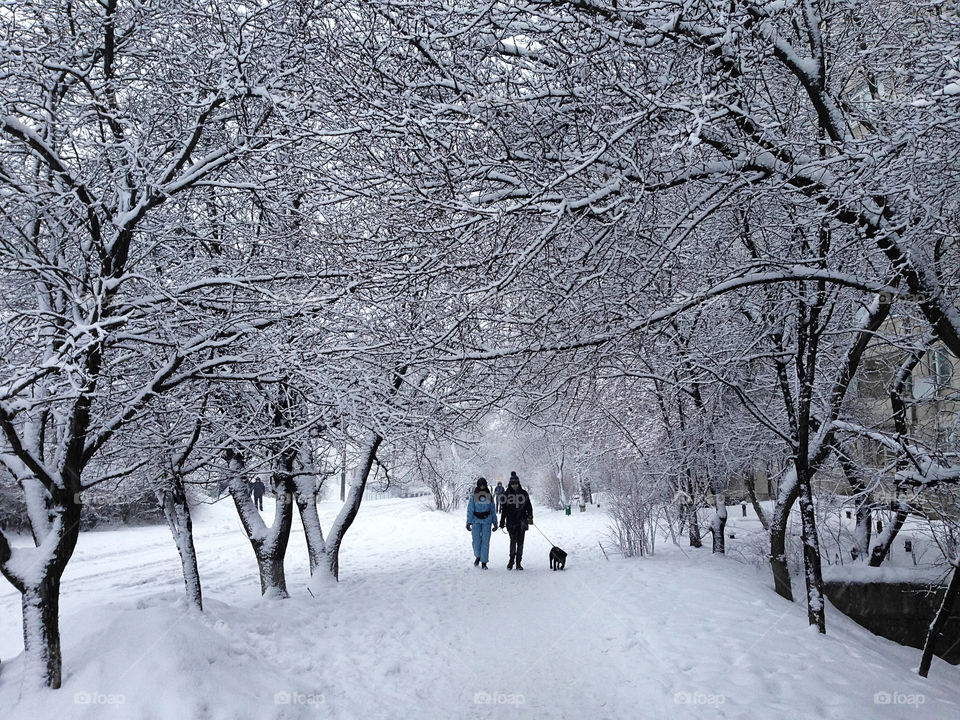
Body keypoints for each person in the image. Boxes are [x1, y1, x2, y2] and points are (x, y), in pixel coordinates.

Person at [499, 471, 533, 570]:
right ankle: (511, 560)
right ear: (510, 484)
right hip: (511, 522)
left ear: (518, 483)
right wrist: (502, 521)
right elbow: (504, 509)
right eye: (513, 483)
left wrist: (530, 516)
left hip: (522, 522)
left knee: (521, 542)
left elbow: (529, 506)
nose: (514, 485)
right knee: (513, 542)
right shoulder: (506, 494)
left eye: (516, 483)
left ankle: (518, 562)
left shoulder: (524, 493)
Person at [466, 477, 498, 569]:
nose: (483, 487)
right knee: (476, 541)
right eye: (481, 485)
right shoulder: (474, 496)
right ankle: (478, 556)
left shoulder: (489, 496)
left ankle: (484, 562)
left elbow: (492, 510)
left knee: (485, 542)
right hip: (476, 521)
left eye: (484, 485)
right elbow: (470, 510)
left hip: (487, 521)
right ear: (478, 486)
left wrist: (495, 523)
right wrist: (468, 522)